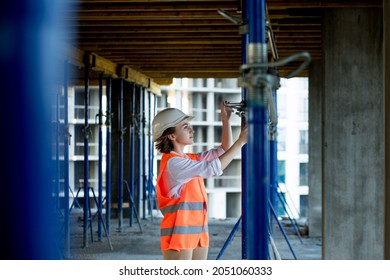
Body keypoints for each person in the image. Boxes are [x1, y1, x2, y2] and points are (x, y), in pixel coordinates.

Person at [152, 101, 247, 260]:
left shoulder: (190, 159)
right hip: (178, 234)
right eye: (185, 127)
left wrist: (226, 121)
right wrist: (241, 142)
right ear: (172, 135)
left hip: (197, 231)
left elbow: (223, 150)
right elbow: (213, 168)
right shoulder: (174, 164)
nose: (192, 129)